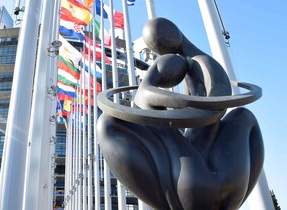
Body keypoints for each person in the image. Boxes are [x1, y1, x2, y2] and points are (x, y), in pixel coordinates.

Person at [97, 17, 264, 209]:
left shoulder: (145, 95)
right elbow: (218, 96)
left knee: (108, 124)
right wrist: (184, 45)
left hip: (190, 185)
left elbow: (214, 102)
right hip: (228, 182)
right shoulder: (151, 92)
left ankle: (167, 201)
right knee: (244, 116)